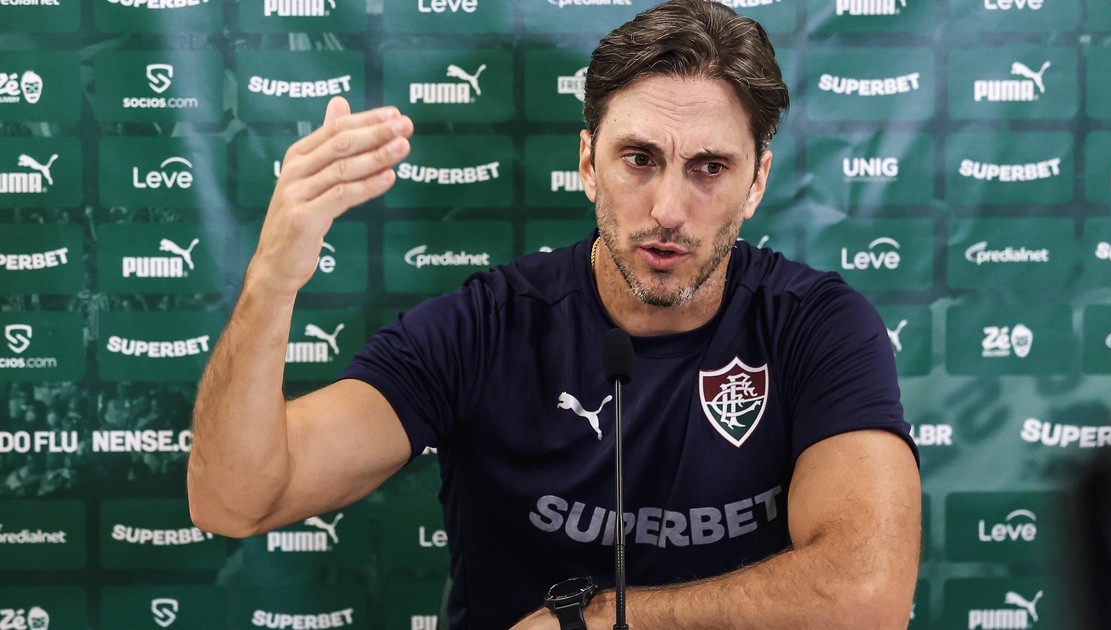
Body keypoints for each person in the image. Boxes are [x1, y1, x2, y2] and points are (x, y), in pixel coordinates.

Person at [187, 1, 922, 627]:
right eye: (639, 159)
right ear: (586, 163)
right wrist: (271, 280)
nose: (668, 209)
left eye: (710, 168)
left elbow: (868, 598)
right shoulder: (486, 326)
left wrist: (594, 619)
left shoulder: (817, 327)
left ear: (756, 181)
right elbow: (234, 502)